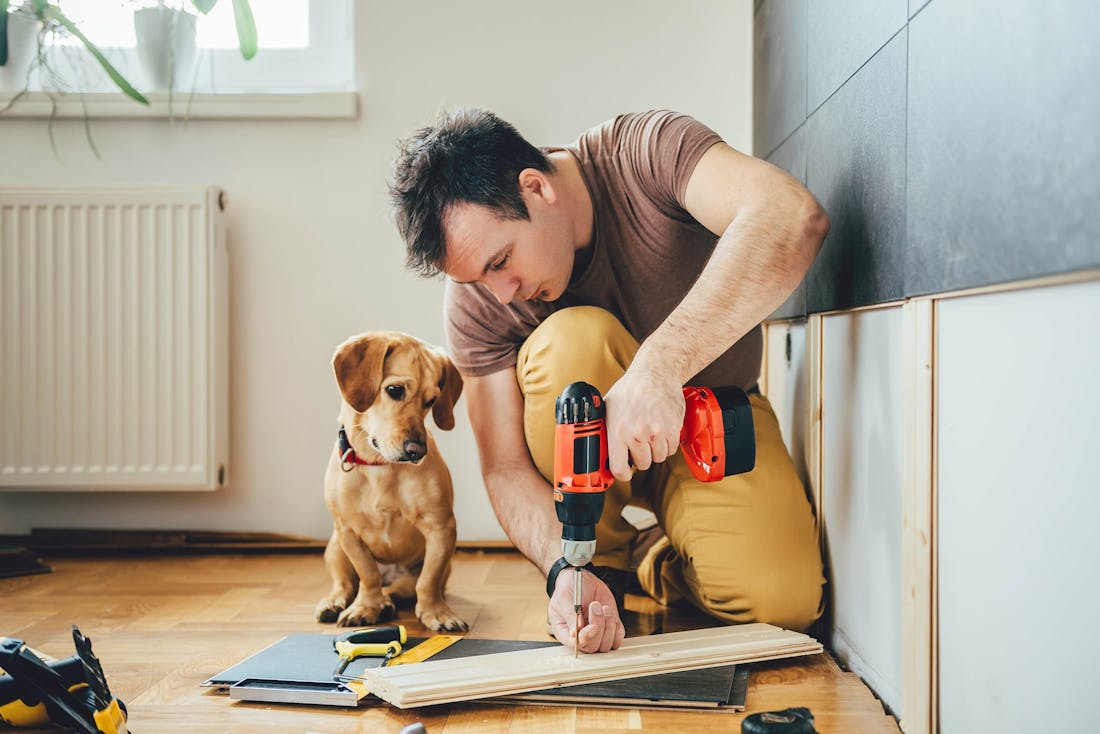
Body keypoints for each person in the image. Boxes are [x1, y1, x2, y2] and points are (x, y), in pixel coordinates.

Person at [389, 109, 829, 654]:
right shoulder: (480, 300)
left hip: (713, 417)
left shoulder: (646, 153)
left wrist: (659, 367)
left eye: (501, 260)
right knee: (573, 340)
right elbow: (503, 466)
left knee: (780, 604)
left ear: (535, 188)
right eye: (480, 276)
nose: (501, 292)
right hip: (589, 476)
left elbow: (790, 215)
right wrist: (559, 566)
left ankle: (656, 556)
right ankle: (600, 561)